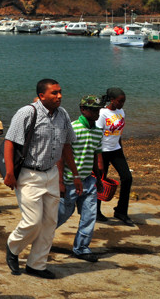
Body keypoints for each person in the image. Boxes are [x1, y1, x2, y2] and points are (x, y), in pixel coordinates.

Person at [4, 78, 82, 279]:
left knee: (49, 222)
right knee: (33, 221)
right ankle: (13, 248)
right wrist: (10, 173)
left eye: (60, 92)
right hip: (29, 174)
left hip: (51, 174)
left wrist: (75, 175)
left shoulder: (62, 114)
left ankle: (36, 265)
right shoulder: (27, 113)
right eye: (54, 93)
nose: (60, 96)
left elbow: (66, 146)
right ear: (41, 96)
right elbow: (10, 142)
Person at [57, 94, 106, 262]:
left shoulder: (98, 132)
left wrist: (98, 179)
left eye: (99, 110)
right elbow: (62, 156)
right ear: (83, 109)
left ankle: (82, 248)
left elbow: (94, 156)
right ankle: (40, 236)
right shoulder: (72, 129)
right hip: (70, 181)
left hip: (88, 180)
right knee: (61, 215)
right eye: (93, 110)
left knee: (89, 215)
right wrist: (60, 182)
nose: (97, 113)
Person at [96, 87, 135, 226]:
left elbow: (119, 133)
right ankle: (96, 211)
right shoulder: (102, 113)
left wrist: (121, 150)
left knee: (127, 178)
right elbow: (97, 136)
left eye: (123, 101)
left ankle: (121, 211)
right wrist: (99, 158)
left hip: (116, 150)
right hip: (103, 151)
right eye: (120, 101)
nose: (122, 104)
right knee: (100, 181)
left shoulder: (121, 112)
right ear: (112, 100)